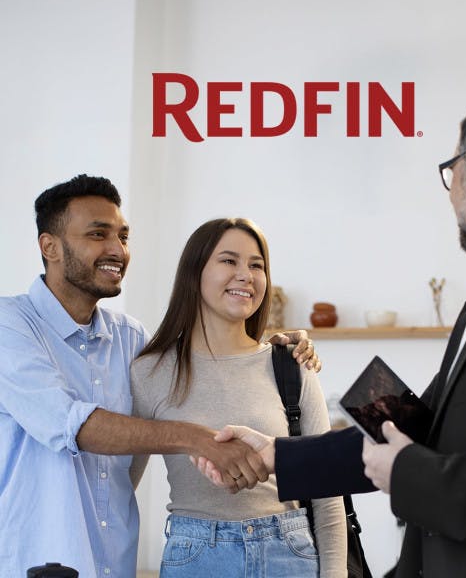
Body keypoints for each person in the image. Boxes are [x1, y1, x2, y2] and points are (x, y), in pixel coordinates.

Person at [198, 89, 466, 577]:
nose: (452, 193)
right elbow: (411, 423)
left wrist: (408, 474)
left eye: (453, 174)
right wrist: (278, 453)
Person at [0, 175, 319, 577]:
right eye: (98, 234)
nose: (117, 250)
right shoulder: (9, 326)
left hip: (113, 563)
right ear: (50, 247)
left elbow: (201, 362)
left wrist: (276, 348)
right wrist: (198, 438)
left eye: (123, 236)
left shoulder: (130, 338)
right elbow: (72, 424)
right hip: (35, 557)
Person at [129, 218, 347, 577]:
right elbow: (122, 489)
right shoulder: (150, 372)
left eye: (256, 265)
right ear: (194, 271)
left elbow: (328, 492)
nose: (246, 275)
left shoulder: (292, 365)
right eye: (229, 261)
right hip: (195, 559)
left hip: (288, 554)